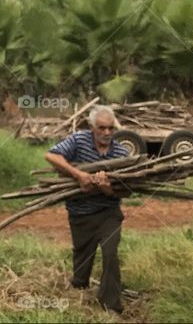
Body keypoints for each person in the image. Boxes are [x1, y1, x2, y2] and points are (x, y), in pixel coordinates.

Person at [45, 105, 130, 314]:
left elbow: (126, 192)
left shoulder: (121, 152)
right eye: (102, 128)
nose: (107, 133)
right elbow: (51, 156)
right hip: (80, 211)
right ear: (92, 127)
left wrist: (107, 188)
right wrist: (79, 175)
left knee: (110, 253)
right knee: (82, 259)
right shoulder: (78, 140)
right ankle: (80, 282)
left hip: (108, 212)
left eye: (110, 128)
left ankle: (110, 303)